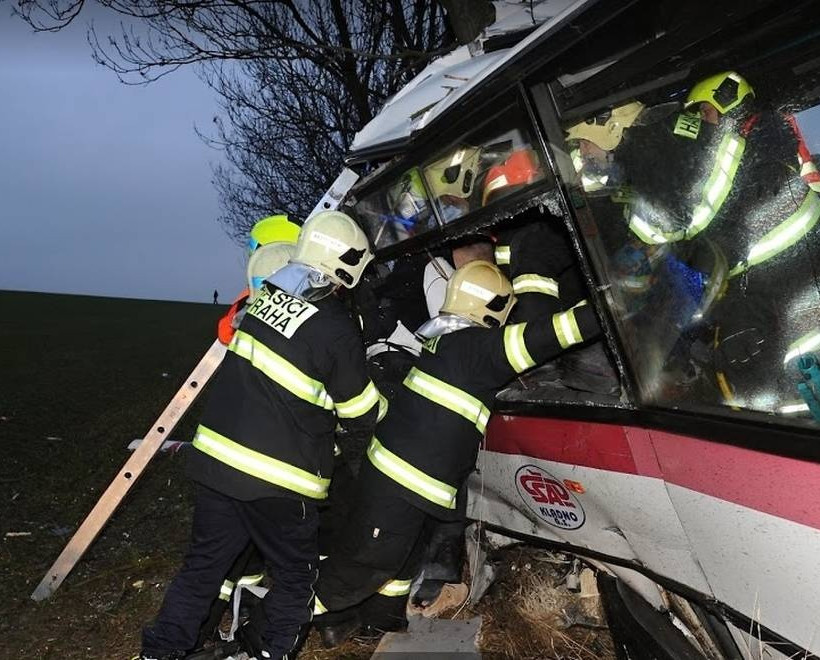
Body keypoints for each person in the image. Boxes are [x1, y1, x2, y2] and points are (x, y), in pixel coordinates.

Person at [137, 210, 384, 660]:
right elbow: (359, 412)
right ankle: (271, 653)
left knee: (203, 568)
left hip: (217, 465)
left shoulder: (263, 299)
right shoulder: (337, 328)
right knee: (295, 576)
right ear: (347, 265)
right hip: (281, 481)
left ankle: (160, 651)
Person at [312, 260, 601, 643]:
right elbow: (557, 333)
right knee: (365, 566)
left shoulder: (442, 340)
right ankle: (273, 627)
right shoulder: (477, 349)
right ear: (492, 305)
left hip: (401, 479)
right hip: (402, 481)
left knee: (405, 558)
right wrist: (612, 305)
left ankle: (379, 621)